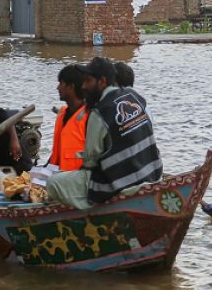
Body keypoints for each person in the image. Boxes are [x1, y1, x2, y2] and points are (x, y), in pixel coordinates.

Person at [46, 57, 162, 208]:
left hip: (121, 185)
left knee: (53, 182)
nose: (83, 86)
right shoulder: (135, 97)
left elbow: (90, 161)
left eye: (88, 81)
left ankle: (89, 213)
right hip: (154, 174)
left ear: (102, 81)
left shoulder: (99, 113)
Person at [48, 64, 89, 171]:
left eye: (61, 83)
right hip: (56, 176)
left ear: (71, 87)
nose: (58, 87)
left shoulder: (90, 117)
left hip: (76, 180)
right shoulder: (62, 114)